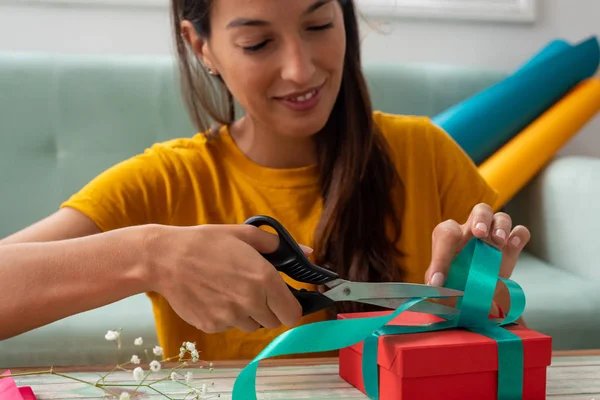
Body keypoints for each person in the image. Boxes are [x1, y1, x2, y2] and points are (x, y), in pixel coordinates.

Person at [0, 0, 530, 361]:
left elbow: (492, 345)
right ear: (201, 46)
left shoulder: (427, 154)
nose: (300, 70)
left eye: (319, 25)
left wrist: (477, 291)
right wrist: (148, 255)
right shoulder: (164, 182)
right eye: (257, 43)